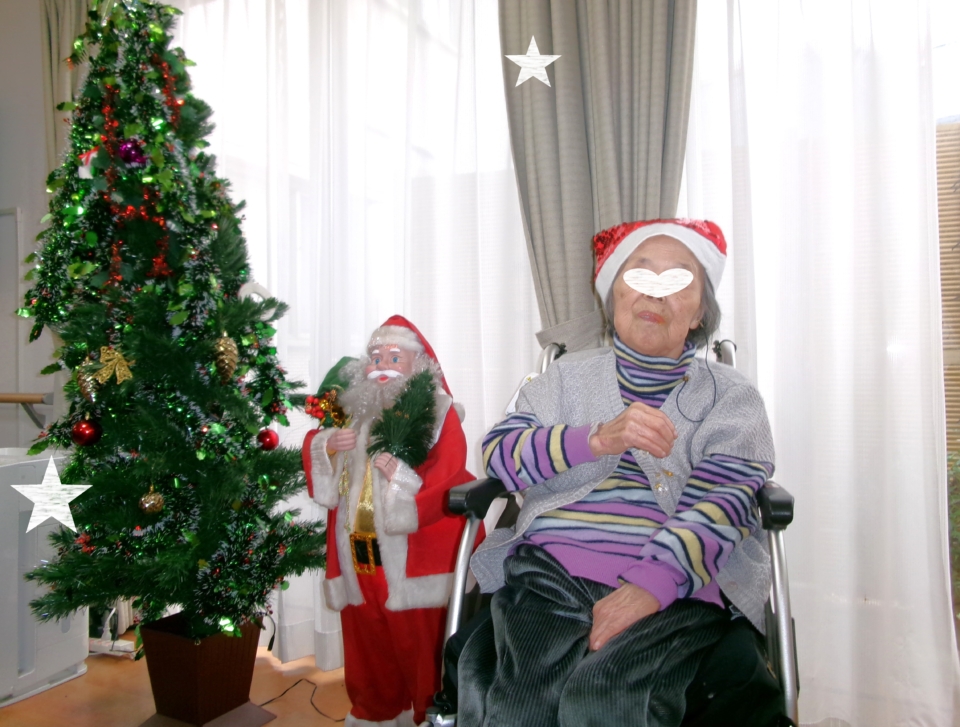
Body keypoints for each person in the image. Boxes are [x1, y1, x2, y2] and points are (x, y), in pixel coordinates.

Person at [459, 219, 783, 727]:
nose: (655, 293)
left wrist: (652, 585)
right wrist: (595, 439)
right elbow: (501, 454)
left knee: (604, 701)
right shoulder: (563, 379)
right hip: (550, 571)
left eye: (678, 281)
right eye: (640, 275)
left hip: (682, 587)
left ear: (699, 311)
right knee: (522, 708)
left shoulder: (731, 397)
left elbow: (722, 501)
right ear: (614, 295)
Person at [303, 315, 476, 727]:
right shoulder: (354, 411)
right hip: (357, 553)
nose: (382, 365)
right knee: (368, 641)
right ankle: (376, 712)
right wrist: (328, 445)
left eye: (394, 357)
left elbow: (450, 474)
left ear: (419, 365)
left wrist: (400, 480)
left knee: (419, 644)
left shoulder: (438, 412)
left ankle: (426, 716)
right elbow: (324, 472)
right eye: (376, 357)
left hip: (413, 557)